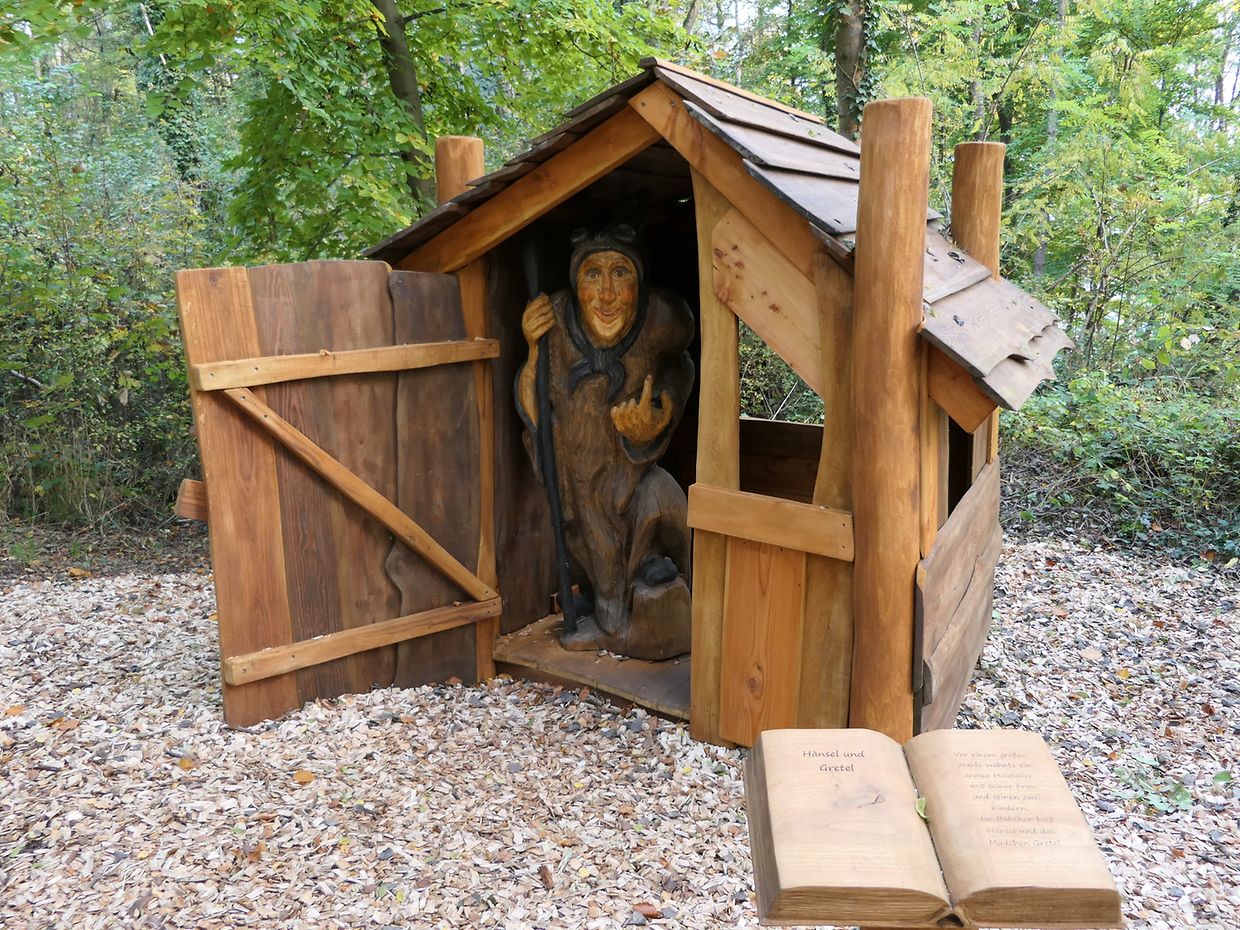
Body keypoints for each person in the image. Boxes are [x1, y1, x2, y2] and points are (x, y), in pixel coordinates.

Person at [516, 224, 694, 660]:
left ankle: (640, 593)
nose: (607, 294)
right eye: (593, 275)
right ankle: (604, 607)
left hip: (630, 476)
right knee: (586, 540)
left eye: (620, 273)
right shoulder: (556, 321)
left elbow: (682, 369)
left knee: (658, 502)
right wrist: (534, 351)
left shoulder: (663, 322)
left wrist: (659, 415)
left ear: (639, 282)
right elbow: (535, 409)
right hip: (578, 478)